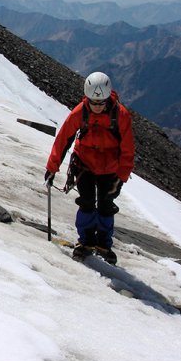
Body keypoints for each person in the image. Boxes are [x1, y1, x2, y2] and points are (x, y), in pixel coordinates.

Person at [44, 72, 135, 264]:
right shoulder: (80, 112)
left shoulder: (121, 115)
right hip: (84, 164)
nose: (97, 106)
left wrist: (121, 177)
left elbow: (128, 150)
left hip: (110, 169)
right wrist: (52, 167)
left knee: (105, 206)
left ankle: (103, 244)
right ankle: (86, 242)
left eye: (101, 103)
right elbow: (63, 140)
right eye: (94, 102)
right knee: (86, 202)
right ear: (87, 97)